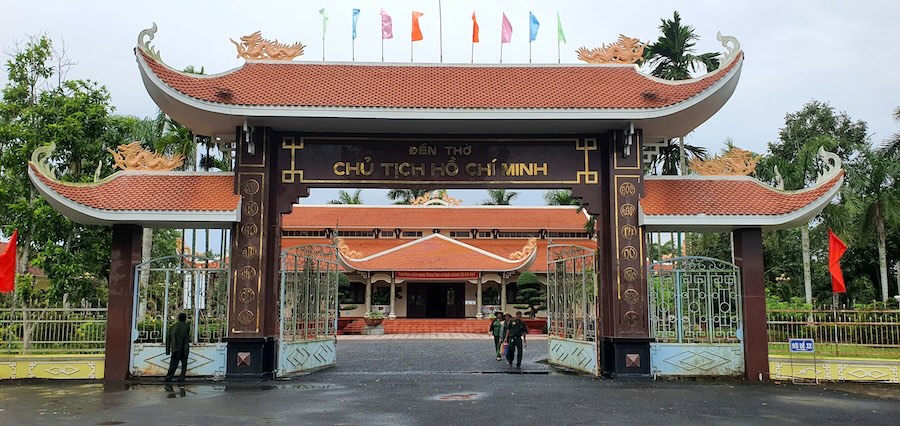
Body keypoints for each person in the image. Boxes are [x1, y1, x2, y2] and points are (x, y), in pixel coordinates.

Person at [165, 312, 191, 382]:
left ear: (178, 318)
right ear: (185, 318)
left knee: (173, 364)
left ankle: (169, 377)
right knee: (184, 364)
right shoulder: (187, 326)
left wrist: (167, 350)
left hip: (175, 348)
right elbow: (187, 337)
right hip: (184, 348)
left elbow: (168, 339)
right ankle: (182, 377)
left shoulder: (172, 327)